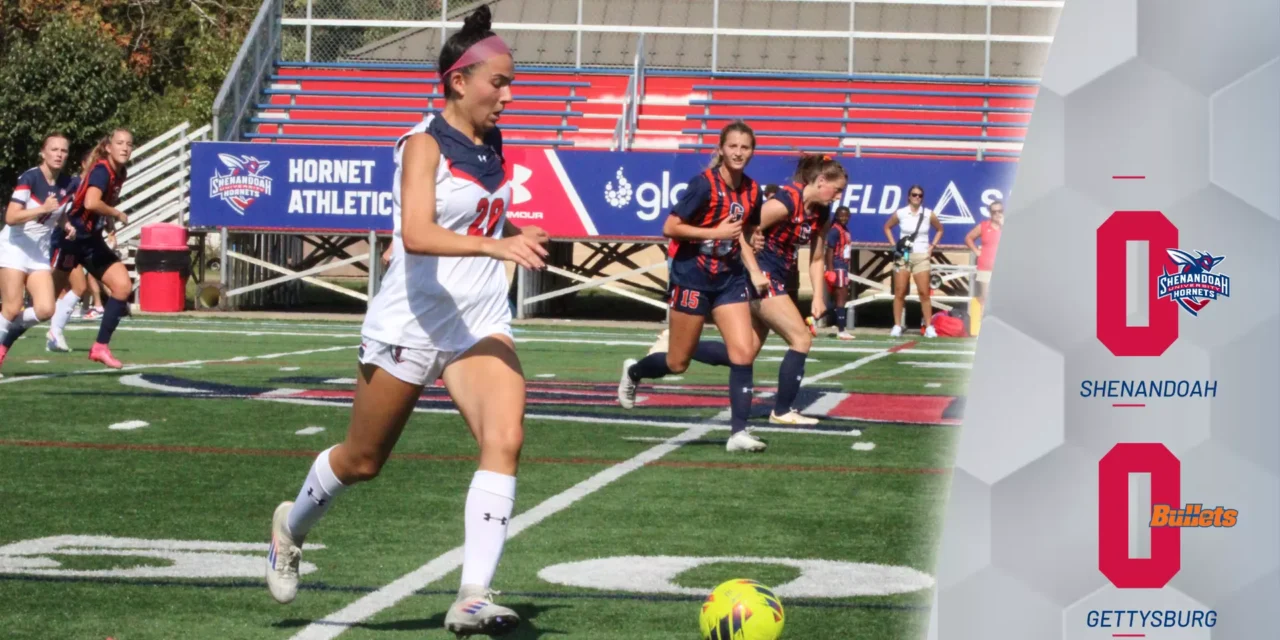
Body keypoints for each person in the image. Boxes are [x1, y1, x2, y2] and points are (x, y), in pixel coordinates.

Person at [264, 8, 551, 637]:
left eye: (510, 82)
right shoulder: (421, 142)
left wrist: (507, 235)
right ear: (457, 81)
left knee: (505, 439)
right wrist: (494, 247)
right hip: (411, 323)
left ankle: (472, 594)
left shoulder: (492, 141)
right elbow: (419, 232)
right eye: (498, 82)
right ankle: (290, 527)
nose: (508, 94)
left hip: (478, 323)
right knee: (362, 461)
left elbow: (470, 220)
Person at [616, 120, 767, 453]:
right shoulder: (703, 185)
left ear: (752, 151)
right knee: (676, 363)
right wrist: (714, 233)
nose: (739, 152)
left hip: (729, 279)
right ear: (721, 149)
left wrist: (754, 263)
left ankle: (738, 432)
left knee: (743, 352)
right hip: (692, 277)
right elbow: (670, 226)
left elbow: (743, 231)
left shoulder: (754, 190)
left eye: (745, 147)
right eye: (733, 146)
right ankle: (636, 370)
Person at [51, 129, 133, 366]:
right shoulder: (101, 170)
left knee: (122, 286)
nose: (125, 148)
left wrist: (108, 224)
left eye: (129, 144)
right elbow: (91, 202)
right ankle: (3, 345)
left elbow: (100, 205)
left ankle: (100, 347)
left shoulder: (121, 172)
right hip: (71, 238)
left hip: (91, 240)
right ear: (108, 147)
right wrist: (116, 213)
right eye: (119, 143)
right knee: (44, 305)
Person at [0, 133, 73, 370]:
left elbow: (57, 212)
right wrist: (42, 208)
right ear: (43, 152)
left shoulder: (66, 183)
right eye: (54, 149)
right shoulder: (29, 177)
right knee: (11, 308)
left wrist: (66, 224)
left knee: (45, 309)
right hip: (15, 247)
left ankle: (4, 327)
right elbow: (11, 217)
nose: (59, 154)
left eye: (63, 150)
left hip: (39, 252)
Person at [883, 184, 943, 338]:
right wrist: (893, 245)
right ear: (909, 196)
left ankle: (929, 327)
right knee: (899, 291)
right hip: (902, 256)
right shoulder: (901, 213)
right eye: (914, 195)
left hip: (921, 256)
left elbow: (940, 229)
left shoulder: (928, 214)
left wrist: (932, 247)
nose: (917, 197)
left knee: (924, 292)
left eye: (920, 195)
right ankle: (897, 325)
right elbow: (887, 227)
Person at [964, 198, 1003, 306]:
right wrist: (976, 251)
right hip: (986, 268)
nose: (997, 214)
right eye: (994, 212)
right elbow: (968, 238)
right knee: (985, 299)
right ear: (990, 213)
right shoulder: (983, 226)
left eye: (1000, 211)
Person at [825, 205, 855, 340]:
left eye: (846, 216)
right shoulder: (834, 231)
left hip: (843, 265)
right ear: (836, 216)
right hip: (838, 266)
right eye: (841, 215)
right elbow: (829, 250)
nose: (844, 218)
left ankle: (812, 320)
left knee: (839, 298)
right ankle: (841, 329)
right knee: (841, 298)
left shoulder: (845, 230)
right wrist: (830, 270)